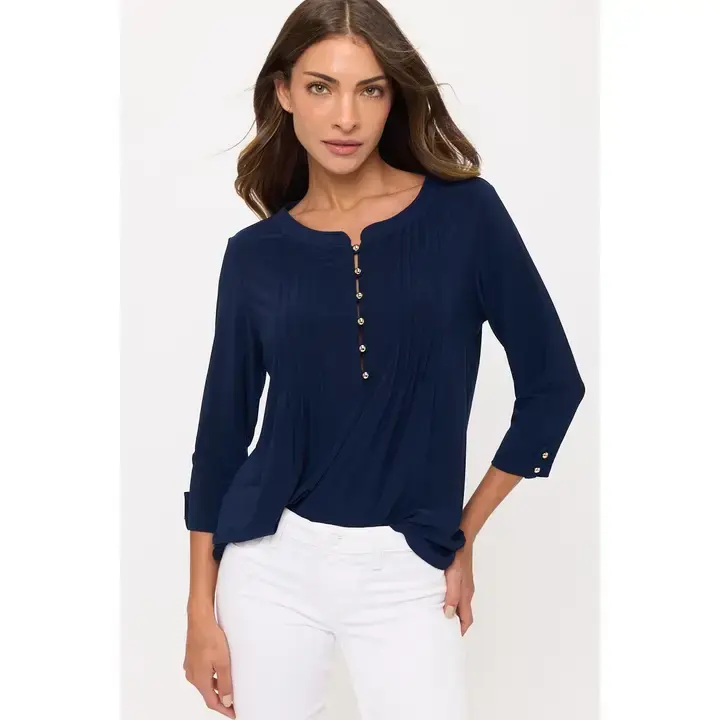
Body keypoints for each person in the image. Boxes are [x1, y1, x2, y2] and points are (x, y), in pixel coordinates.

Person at [182, 1, 586, 718]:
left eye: (369, 90)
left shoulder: (466, 215)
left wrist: (464, 532)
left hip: (408, 569)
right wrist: (199, 612)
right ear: (284, 93)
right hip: (270, 569)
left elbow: (554, 385)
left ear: (393, 97)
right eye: (321, 87)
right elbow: (220, 440)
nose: (346, 117)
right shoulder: (255, 257)